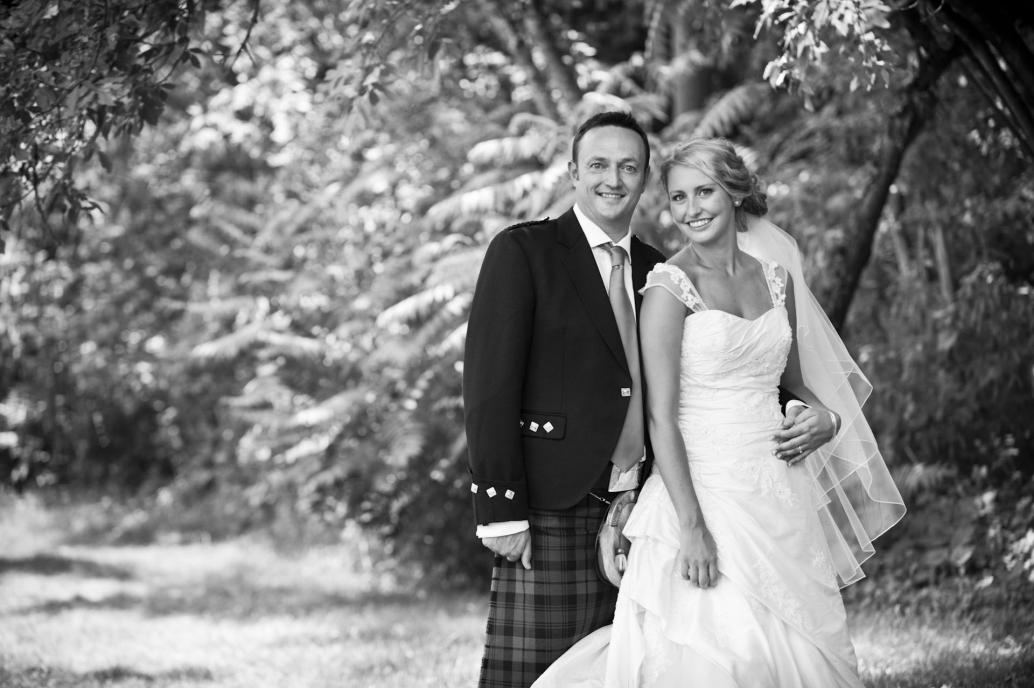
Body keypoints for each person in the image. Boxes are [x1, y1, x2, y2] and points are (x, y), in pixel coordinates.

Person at [531, 138, 906, 687]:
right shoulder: (667, 286)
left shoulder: (776, 280)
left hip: (777, 491)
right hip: (702, 492)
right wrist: (692, 529)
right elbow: (660, 417)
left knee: (795, 640)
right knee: (713, 651)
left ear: (734, 193)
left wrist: (825, 419)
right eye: (678, 197)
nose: (692, 209)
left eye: (704, 191)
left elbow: (794, 385)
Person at [462, 110, 666, 688]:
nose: (613, 179)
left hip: (639, 508)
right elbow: (488, 387)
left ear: (645, 177)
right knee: (537, 678)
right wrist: (499, 509)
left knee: (622, 673)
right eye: (598, 164)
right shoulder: (526, 252)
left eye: (629, 167)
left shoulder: (660, 269)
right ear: (573, 171)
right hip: (549, 503)